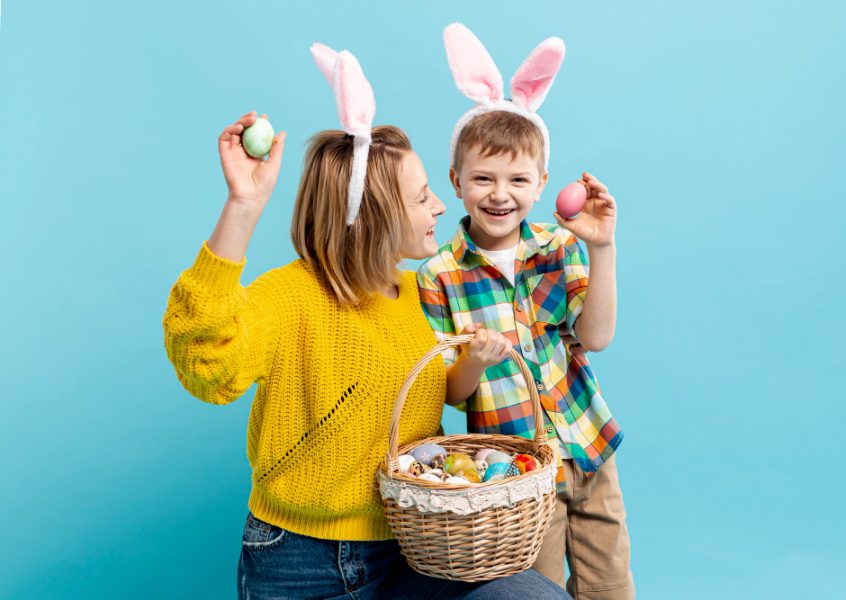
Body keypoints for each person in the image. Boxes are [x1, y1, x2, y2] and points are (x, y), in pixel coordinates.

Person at [162, 43, 568, 600]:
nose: (441, 208)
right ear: (376, 217)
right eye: (424, 197)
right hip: (297, 563)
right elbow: (206, 366)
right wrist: (243, 207)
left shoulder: (416, 294)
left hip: (415, 551)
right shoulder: (291, 296)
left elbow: (439, 396)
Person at [417, 24, 634, 599]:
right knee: (535, 591)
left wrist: (601, 246)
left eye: (517, 179)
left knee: (610, 585)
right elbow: (453, 393)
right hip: (515, 470)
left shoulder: (559, 250)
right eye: (482, 178)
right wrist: (477, 362)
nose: (499, 193)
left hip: (587, 445)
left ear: (540, 183)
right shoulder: (441, 273)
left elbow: (598, 336)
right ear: (455, 181)